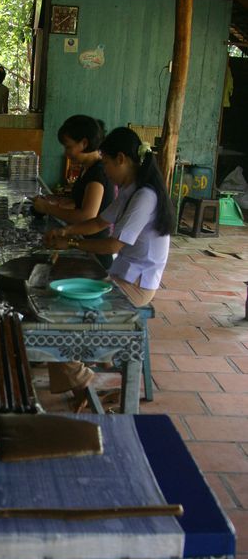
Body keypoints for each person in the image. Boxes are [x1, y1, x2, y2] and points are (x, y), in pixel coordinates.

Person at [43, 126, 175, 408]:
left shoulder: (145, 196)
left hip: (136, 285)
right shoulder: (130, 189)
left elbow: (114, 245)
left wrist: (73, 246)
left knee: (56, 322)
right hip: (123, 274)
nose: (105, 168)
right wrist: (67, 234)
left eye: (105, 161)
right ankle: (82, 386)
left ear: (122, 159)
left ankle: (85, 382)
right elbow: (99, 223)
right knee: (53, 308)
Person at [33, 115, 114, 270]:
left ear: (84, 143)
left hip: (94, 251)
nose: (66, 152)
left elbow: (87, 215)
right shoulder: (87, 168)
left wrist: (48, 208)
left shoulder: (97, 174)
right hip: (84, 244)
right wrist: (55, 200)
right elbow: (79, 202)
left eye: (68, 147)